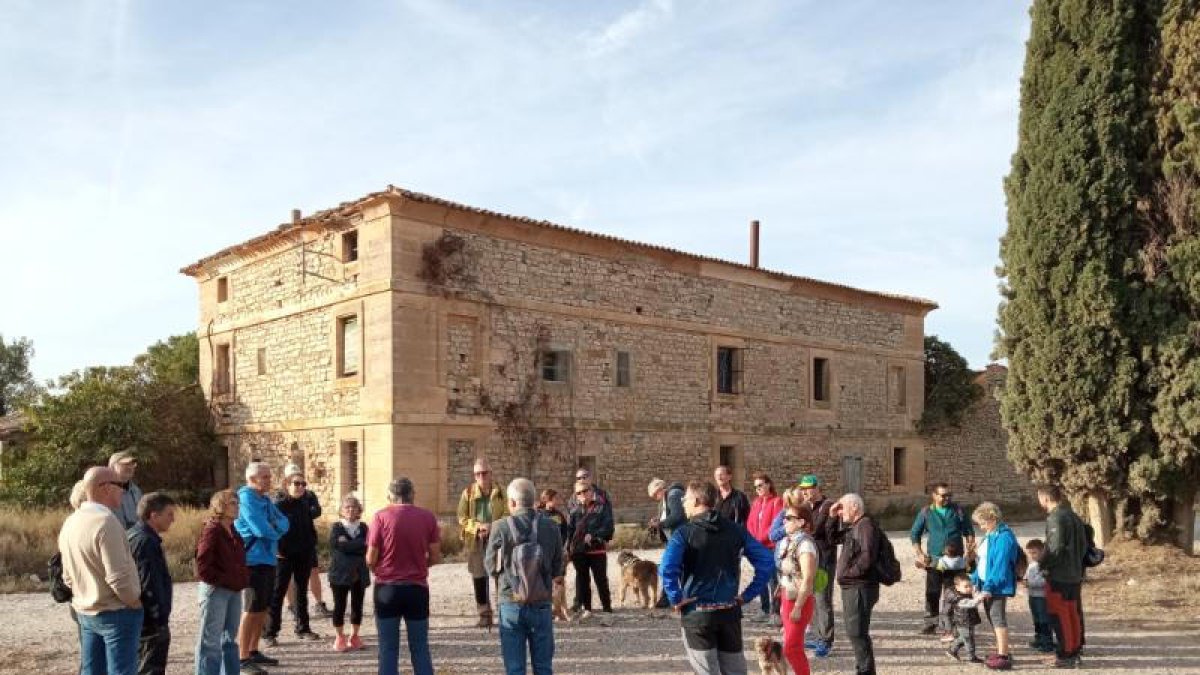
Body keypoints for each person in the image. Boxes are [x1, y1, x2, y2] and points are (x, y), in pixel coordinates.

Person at [659, 480, 774, 675]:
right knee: (735, 672)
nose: (683, 503)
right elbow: (767, 562)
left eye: (685, 499)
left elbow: (667, 568)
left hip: (698, 615)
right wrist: (747, 595)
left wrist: (675, 598)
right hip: (729, 612)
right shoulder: (736, 530)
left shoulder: (683, 533)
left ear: (696, 500)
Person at [58, 466, 144, 675]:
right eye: (120, 485)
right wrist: (134, 602)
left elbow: (67, 576)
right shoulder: (106, 522)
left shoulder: (71, 521)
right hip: (115, 612)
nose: (123, 490)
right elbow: (118, 577)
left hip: (86, 612)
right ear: (105, 488)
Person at [485, 478, 566, 675]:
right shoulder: (551, 527)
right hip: (541, 601)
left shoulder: (500, 527)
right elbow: (558, 569)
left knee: (514, 668)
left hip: (511, 601)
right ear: (533, 501)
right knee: (544, 667)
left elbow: (490, 566)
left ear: (512, 503)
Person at [368, 477, 441, 675]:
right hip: (416, 587)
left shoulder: (380, 517)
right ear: (413, 495)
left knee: (388, 648)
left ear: (390, 496)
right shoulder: (428, 517)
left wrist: (377, 568)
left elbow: (370, 556)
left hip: (387, 588)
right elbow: (435, 555)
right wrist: (420, 565)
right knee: (420, 647)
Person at [235, 462, 289, 671]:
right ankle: (242, 657)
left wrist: (274, 528)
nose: (269, 480)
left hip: (268, 559)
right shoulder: (245, 499)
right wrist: (275, 529)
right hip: (252, 561)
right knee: (250, 609)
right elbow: (260, 529)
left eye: (269, 476)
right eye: (265, 477)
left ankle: (253, 650)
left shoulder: (265, 500)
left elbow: (284, 522)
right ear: (252, 479)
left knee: (263, 607)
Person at [194, 489, 251, 675]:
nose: (237, 507)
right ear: (220, 506)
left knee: (229, 639)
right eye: (232, 503)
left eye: (237, 503)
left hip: (233, 590)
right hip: (216, 590)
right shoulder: (212, 529)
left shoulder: (232, 529)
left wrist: (240, 579)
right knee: (210, 642)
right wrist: (222, 580)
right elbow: (202, 565)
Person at [265, 467, 321, 645]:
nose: (300, 487)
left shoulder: (304, 504)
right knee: (278, 592)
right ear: (287, 485)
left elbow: (308, 528)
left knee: (301, 591)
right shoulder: (278, 506)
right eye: (296, 483)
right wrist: (277, 549)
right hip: (283, 555)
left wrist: (311, 543)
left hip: (303, 553)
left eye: (303, 484)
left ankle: (303, 628)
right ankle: (270, 633)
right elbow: (271, 529)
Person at [910, 482, 975, 636]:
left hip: (956, 560)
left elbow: (969, 531)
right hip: (934, 560)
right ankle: (931, 623)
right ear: (934, 496)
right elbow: (914, 534)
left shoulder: (958, 511)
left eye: (949, 495)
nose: (947, 498)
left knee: (953, 593)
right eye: (943, 495)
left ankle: (952, 624)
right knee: (932, 592)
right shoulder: (926, 512)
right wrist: (919, 553)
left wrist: (970, 552)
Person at [1037, 484, 1087, 669]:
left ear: (1045, 499)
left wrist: (1041, 565)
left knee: (1060, 615)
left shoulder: (1056, 518)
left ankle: (1065, 654)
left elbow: (1054, 549)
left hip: (1060, 575)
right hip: (1074, 573)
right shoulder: (1074, 516)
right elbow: (1084, 546)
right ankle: (1072, 650)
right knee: (1072, 613)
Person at [831, 493, 881, 675]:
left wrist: (848, 574)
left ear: (854, 507)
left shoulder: (865, 525)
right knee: (855, 632)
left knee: (857, 633)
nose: (840, 511)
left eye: (842, 507)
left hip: (860, 586)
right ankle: (864, 670)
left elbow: (868, 556)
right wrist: (831, 517)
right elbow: (832, 539)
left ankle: (865, 671)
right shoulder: (855, 526)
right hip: (853, 586)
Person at [128, 492, 177, 675]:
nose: (173, 520)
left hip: (144, 618)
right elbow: (148, 583)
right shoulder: (145, 541)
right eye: (169, 514)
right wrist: (158, 617)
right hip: (150, 621)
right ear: (153, 516)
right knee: (150, 668)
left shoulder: (136, 535)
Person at [969, 501, 1019, 671]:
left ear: (992, 518)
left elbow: (1000, 565)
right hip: (986, 585)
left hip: (997, 586)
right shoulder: (990, 535)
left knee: (998, 618)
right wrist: (975, 579)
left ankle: (1004, 656)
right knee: (992, 618)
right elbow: (982, 561)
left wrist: (989, 587)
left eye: (983, 523)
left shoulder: (1004, 537)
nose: (981, 527)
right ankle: (1000, 650)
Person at [458, 457, 508, 627]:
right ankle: (484, 614)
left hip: (498, 540)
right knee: (479, 577)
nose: (481, 477)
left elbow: (508, 515)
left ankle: (504, 613)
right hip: (476, 540)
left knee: (500, 576)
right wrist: (478, 527)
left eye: (484, 473)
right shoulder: (468, 493)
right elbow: (462, 518)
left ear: (491, 473)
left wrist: (492, 527)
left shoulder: (502, 492)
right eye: (477, 474)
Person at [279, 464, 330, 621]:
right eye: (295, 481)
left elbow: (317, 510)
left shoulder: (309, 495)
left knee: (313, 571)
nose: (300, 485)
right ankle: (291, 605)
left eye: (301, 481)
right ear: (287, 481)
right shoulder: (280, 498)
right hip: (288, 544)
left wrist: (304, 511)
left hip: (306, 540)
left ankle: (319, 603)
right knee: (287, 577)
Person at [798, 474, 839, 657]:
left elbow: (817, 531)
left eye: (809, 488)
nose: (805, 492)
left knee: (823, 600)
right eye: (803, 489)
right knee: (812, 599)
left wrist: (805, 528)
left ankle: (826, 640)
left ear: (817, 488)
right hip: (809, 560)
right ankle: (817, 636)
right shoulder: (806, 507)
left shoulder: (828, 506)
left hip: (824, 561)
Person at [776, 503, 818, 675]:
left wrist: (798, 607)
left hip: (799, 599)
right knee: (793, 645)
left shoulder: (805, 545)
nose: (784, 521)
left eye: (788, 518)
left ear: (801, 522)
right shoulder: (789, 541)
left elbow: (808, 578)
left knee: (791, 648)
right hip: (788, 596)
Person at [567, 480, 614, 619]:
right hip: (579, 552)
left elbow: (609, 527)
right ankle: (587, 609)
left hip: (596, 550)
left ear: (591, 490)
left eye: (585, 490)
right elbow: (569, 532)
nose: (582, 494)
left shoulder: (602, 507)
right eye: (578, 492)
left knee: (601, 579)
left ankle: (607, 608)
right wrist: (567, 548)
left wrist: (594, 536)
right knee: (583, 580)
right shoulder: (574, 511)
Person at [329, 495, 370, 652]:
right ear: (341, 511)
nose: (351, 509)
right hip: (339, 574)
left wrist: (348, 544)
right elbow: (338, 546)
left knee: (357, 606)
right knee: (339, 605)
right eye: (347, 507)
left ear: (359, 510)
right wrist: (356, 545)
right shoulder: (336, 527)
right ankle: (340, 637)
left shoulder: (364, 527)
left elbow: (366, 545)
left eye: (354, 506)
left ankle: (354, 636)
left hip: (359, 573)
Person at [746, 472, 784, 624]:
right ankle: (764, 608)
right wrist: (752, 540)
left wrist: (761, 539)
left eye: (761, 485)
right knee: (761, 579)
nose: (758, 489)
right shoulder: (756, 503)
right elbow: (750, 523)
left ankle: (775, 612)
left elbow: (776, 524)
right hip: (758, 547)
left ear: (768, 484)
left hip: (770, 546)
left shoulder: (777, 502)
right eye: (756, 487)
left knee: (773, 580)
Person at [648, 478, 687, 609]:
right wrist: (657, 520)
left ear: (660, 490)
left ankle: (674, 599)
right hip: (674, 540)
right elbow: (668, 517)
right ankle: (668, 598)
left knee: (671, 568)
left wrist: (659, 523)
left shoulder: (673, 495)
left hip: (680, 538)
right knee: (671, 568)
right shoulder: (667, 498)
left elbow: (677, 516)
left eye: (654, 495)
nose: (655, 498)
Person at [1022, 539, 1055, 653]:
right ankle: (1039, 639)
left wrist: (1029, 583)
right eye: (1029, 553)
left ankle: (1047, 642)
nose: (1032, 556)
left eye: (1034, 553)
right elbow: (1026, 576)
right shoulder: (1031, 565)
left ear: (1042, 551)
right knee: (1036, 618)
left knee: (1044, 619)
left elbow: (1044, 581)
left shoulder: (1045, 565)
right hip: (1032, 596)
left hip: (1042, 597)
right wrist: (1024, 580)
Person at [942, 572, 983, 663]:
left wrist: (976, 591)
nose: (969, 588)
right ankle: (971, 657)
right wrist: (980, 597)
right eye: (966, 586)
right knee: (969, 640)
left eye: (970, 586)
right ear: (957, 587)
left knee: (963, 638)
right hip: (963, 622)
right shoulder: (960, 599)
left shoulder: (964, 593)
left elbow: (973, 596)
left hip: (967, 621)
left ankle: (952, 651)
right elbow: (972, 603)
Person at [109, 450, 144, 529]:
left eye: (132, 464)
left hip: (134, 538)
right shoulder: (105, 491)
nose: (130, 467)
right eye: (125, 464)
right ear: (112, 467)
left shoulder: (136, 491)